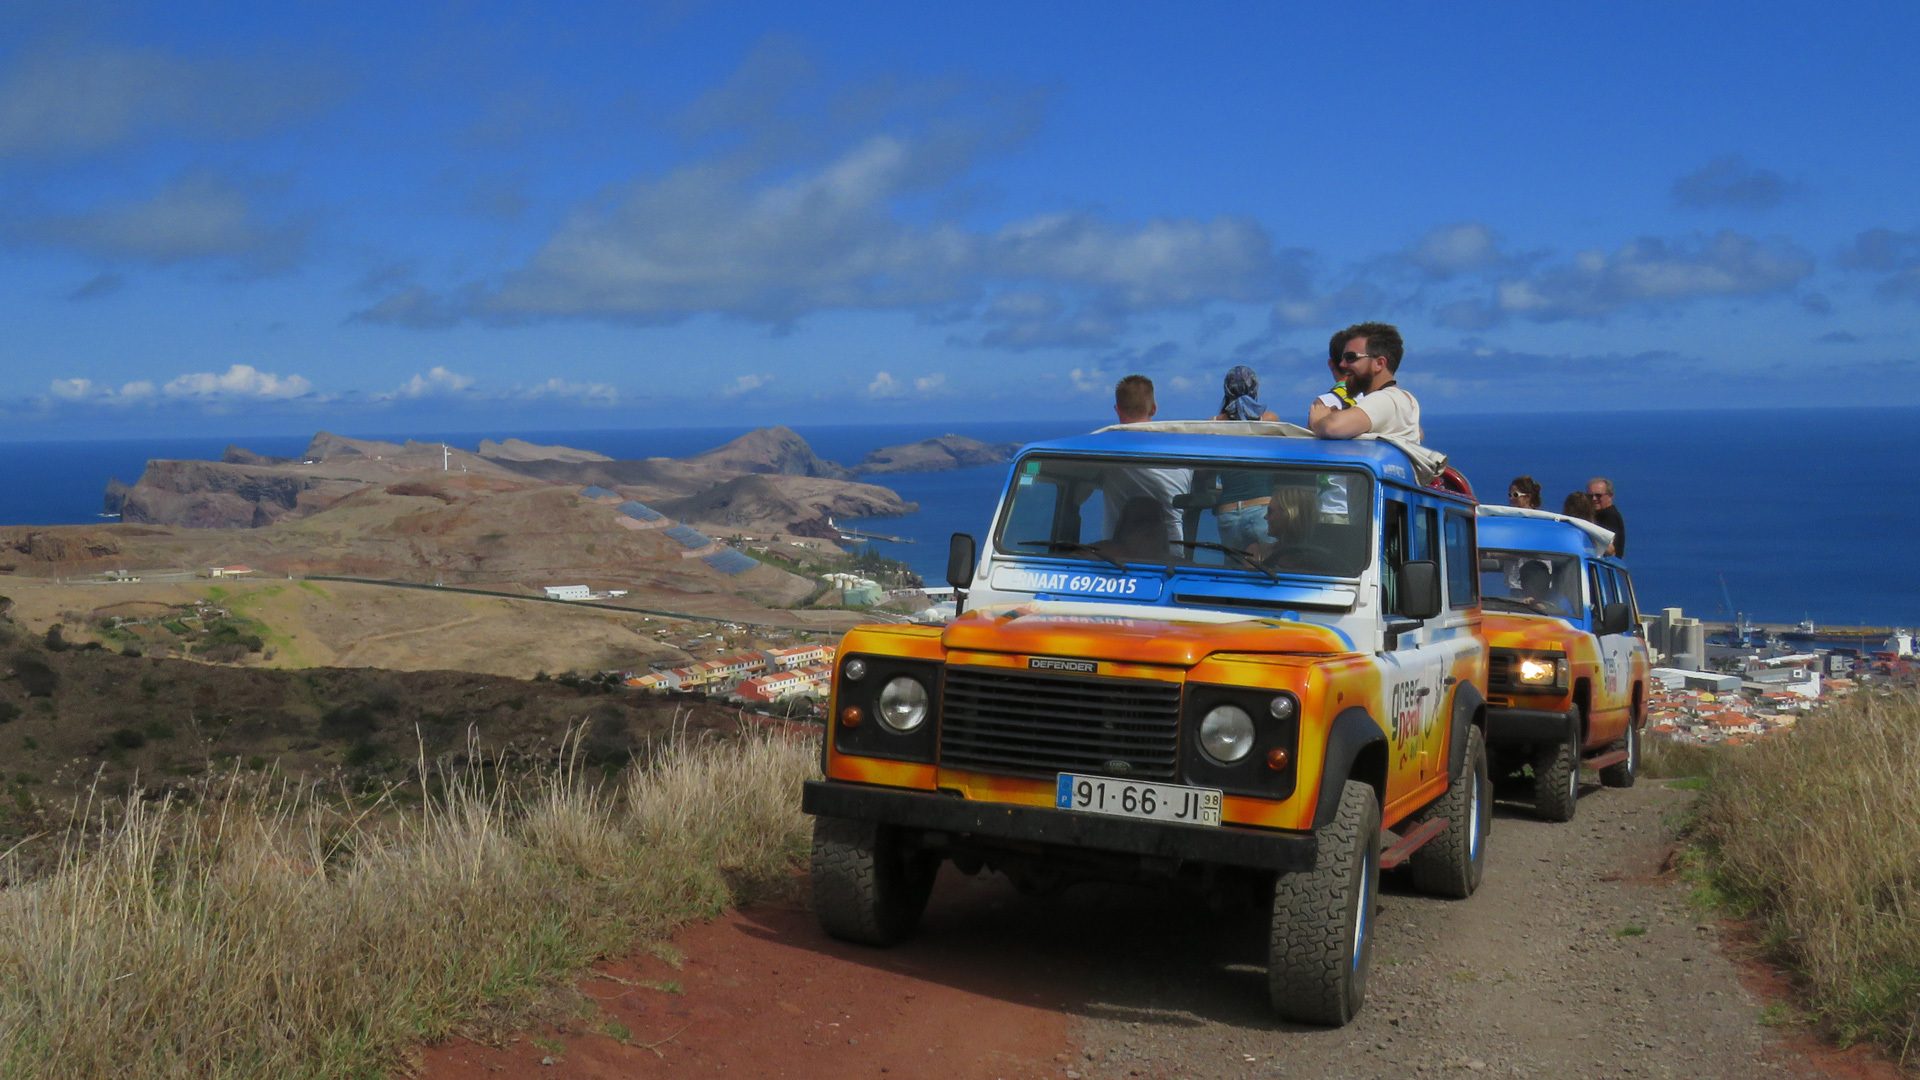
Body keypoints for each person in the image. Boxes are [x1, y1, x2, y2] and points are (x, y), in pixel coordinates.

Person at [1101, 375, 1189, 543]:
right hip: (1171, 559)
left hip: (1115, 559)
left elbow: (1079, 496)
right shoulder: (1183, 455)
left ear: (1117, 409)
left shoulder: (1106, 451)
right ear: (1154, 409)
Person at [1308, 322, 1422, 443]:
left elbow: (1332, 427)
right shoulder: (1406, 399)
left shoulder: (1386, 399)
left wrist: (1318, 421)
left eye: (1351, 357)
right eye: (1343, 358)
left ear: (1379, 363)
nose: (1342, 364)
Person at [1205, 366, 1278, 548]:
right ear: (1255, 389)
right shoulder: (1267, 420)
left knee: (1233, 572)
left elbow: (1204, 470)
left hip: (1228, 512)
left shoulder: (1213, 424)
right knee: (1270, 569)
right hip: (1261, 508)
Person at [1250, 485, 1321, 571]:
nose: (1265, 517)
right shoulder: (1257, 553)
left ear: (1288, 516)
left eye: (1270, 512)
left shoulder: (1320, 559)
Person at [1587, 477, 1626, 557]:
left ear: (1610, 496)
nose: (1594, 499)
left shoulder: (1609, 516)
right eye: (1590, 496)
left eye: (1598, 495)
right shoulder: (1598, 515)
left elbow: (1610, 549)